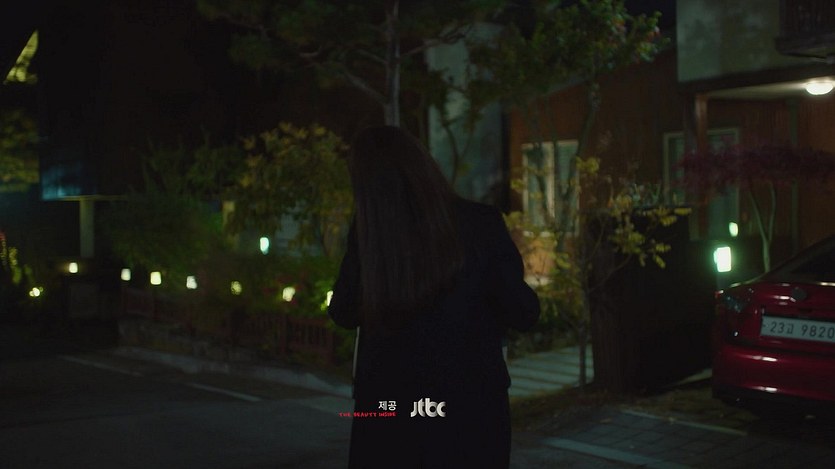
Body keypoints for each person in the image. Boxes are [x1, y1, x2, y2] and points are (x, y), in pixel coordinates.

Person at [328, 125, 540, 469]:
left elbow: (342, 311)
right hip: (469, 412)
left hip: (390, 414)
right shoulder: (480, 224)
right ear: (422, 165)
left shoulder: (372, 234)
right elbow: (524, 313)